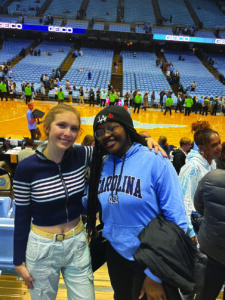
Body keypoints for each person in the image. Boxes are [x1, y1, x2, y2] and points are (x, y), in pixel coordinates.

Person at [86, 106, 187, 300]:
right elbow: (96, 203)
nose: (105, 135)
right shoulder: (102, 164)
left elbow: (177, 221)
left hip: (152, 256)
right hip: (116, 255)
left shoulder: (156, 160)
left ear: (126, 127)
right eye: (99, 132)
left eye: (111, 128)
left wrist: (155, 275)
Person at [13, 104, 95, 300]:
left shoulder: (81, 155)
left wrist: (145, 139)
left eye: (74, 128)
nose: (68, 133)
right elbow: (22, 216)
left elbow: (114, 147)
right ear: (47, 127)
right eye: (62, 125)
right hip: (42, 248)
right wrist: (18, 260)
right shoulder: (26, 168)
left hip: (77, 244)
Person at [194, 169, 225, 300]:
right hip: (211, 248)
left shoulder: (211, 178)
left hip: (211, 249)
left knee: (205, 294)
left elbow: (199, 206)